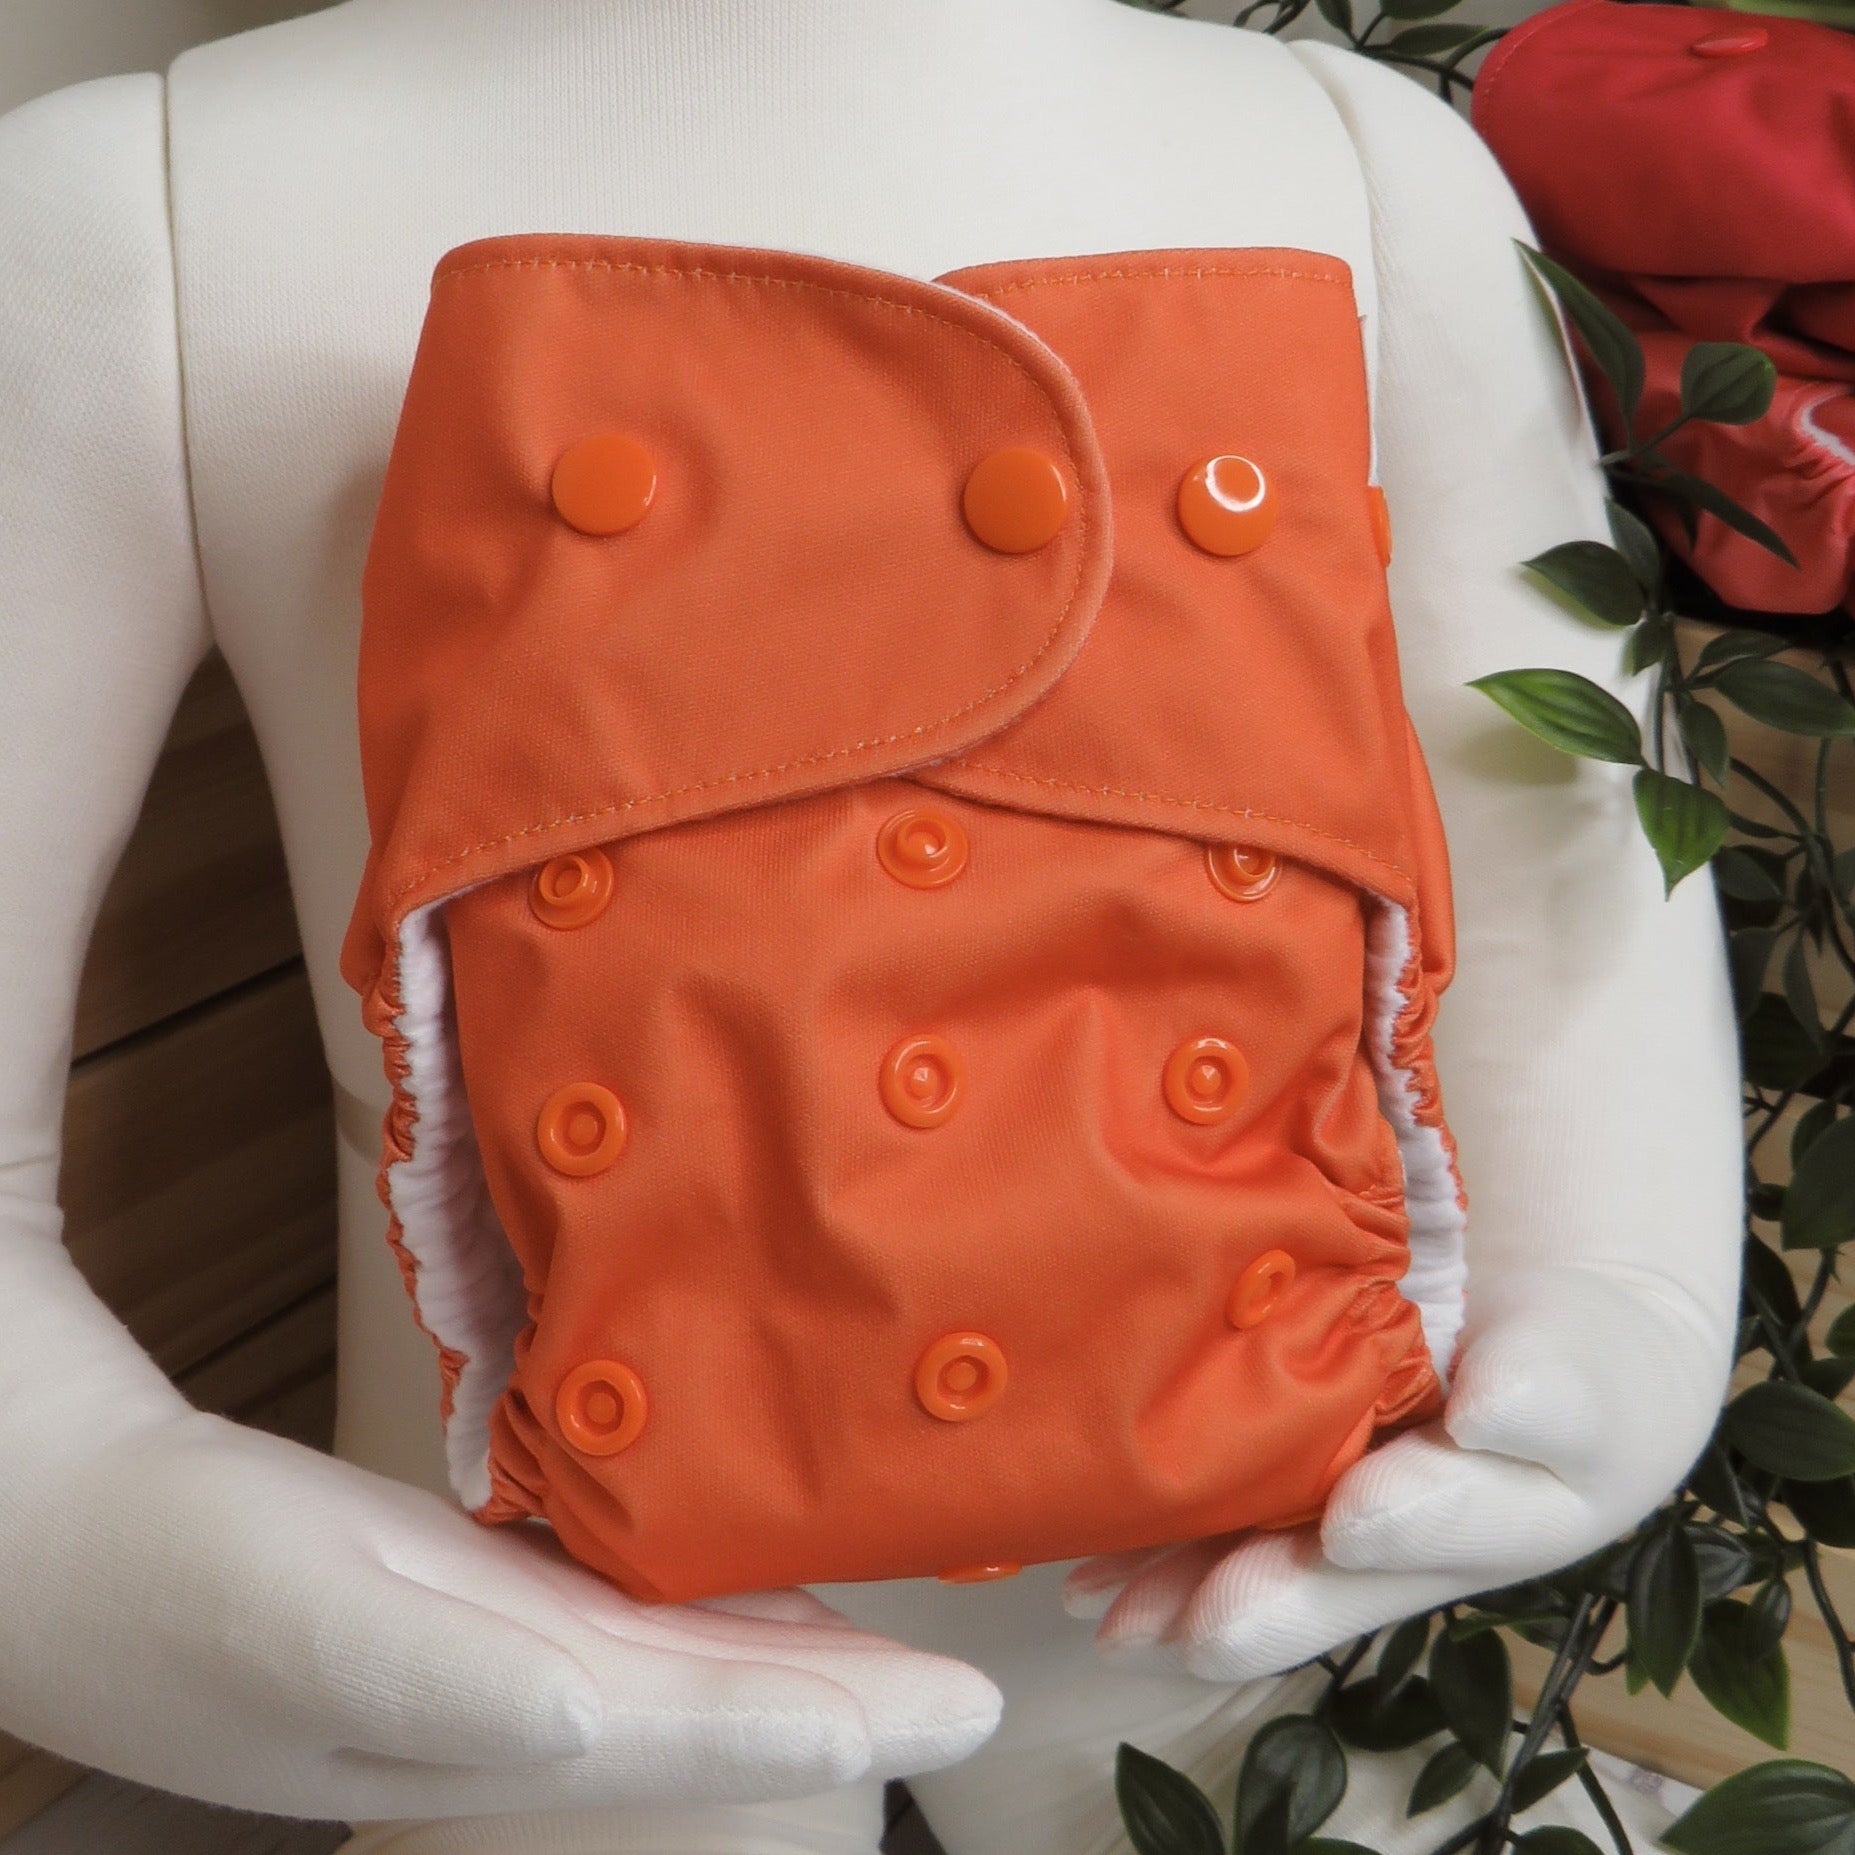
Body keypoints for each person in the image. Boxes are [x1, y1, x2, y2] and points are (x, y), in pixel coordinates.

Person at [0, 2, 1742, 1849]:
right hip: (532, 1623)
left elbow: (1562, 863)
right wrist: (76, 1530)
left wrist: (1626, 1317)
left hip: (1238, 1568)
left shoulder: (1368, 157)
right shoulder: (126, 212)